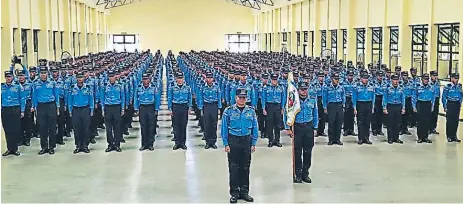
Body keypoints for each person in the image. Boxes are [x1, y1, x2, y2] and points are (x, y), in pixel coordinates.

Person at [221, 88, 258, 203]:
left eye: (244, 98)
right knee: (234, 167)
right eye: (240, 97)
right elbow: (224, 128)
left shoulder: (251, 111)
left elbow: (255, 128)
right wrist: (226, 143)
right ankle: (234, 193)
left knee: (245, 167)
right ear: (235, 98)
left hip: (246, 140)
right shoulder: (229, 111)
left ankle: (244, 192)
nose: (242, 100)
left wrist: (253, 143)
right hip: (234, 141)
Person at [285, 81, 318, 183]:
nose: (304, 92)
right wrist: (288, 128)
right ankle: (298, 174)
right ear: (298, 90)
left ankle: (305, 173)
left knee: (308, 152)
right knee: (297, 152)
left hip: (308, 127)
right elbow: (287, 113)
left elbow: (315, 114)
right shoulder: (293, 101)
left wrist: (315, 128)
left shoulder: (312, 100)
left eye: (305, 89)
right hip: (297, 127)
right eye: (302, 90)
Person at [32, 66, 60, 155]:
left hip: (51, 106)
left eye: (45, 73)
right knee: (42, 127)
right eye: (42, 73)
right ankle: (44, 147)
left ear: (47, 74)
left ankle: (51, 147)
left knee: (52, 127)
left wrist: (58, 108)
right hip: (41, 107)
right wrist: (35, 107)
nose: (43, 75)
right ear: (39, 74)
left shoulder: (52, 83)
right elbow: (34, 96)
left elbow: (56, 95)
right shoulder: (35, 83)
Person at [68, 71, 94, 154]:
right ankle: (78, 146)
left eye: (81, 77)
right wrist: (70, 110)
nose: (80, 79)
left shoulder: (88, 87)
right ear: (76, 79)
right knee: (77, 129)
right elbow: (70, 100)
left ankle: (85, 146)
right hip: (76, 110)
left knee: (86, 128)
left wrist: (92, 110)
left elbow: (91, 99)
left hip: (85, 109)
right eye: (78, 78)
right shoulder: (72, 88)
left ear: (84, 78)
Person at [134, 73, 160, 151]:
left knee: (151, 126)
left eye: (147, 79)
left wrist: (156, 109)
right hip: (142, 108)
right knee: (143, 126)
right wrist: (136, 109)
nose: (145, 81)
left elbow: (157, 99)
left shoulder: (154, 88)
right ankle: (144, 144)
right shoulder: (138, 88)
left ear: (149, 79)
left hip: (151, 107)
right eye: (144, 79)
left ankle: (150, 144)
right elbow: (136, 98)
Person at [1, 71, 25, 156]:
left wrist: (22, 111)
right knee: (7, 130)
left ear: (13, 77)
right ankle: (9, 148)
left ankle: (15, 149)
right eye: (7, 77)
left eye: (10, 76)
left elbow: (22, 99)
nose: (8, 78)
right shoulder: (2, 87)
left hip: (15, 109)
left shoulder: (18, 87)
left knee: (15, 129)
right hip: (5, 110)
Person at [101, 70, 125, 153]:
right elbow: (102, 98)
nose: (111, 78)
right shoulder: (104, 86)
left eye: (113, 76)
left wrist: (122, 109)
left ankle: (117, 145)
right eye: (110, 76)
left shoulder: (120, 85)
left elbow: (123, 97)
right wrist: (103, 109)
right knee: (108, 128)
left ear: (115, 76)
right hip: (108, 108)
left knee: (117, 127)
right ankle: (110, 145)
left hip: (117, 107)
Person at [168, 72, 192, 150]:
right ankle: (177, 143)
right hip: (175, 107)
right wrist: (170, 108)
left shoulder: (187, 88)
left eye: (181, 78)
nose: (180, 80)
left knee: (183, 125)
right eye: (178, 78)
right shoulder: (172, 88)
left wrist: (189, 108)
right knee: (176, 125)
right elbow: (170, 98)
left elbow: (189, 98)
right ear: (176, 79)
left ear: (183, 79)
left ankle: (183, 143)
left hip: (184, 107)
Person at [197, 72, 222, 149]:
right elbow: (200, 98)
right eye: (208, 78)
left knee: (214, 124)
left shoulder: (216, 87)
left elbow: (219, 98)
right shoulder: (203, 87)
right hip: (206, 106)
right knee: (207, 124)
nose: (209, 79)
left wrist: (219, 108)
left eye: (211, 78)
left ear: (213, 79)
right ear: (206, 78)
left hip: (214, 106)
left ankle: (213, 141)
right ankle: (208, 142)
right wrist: (201, 108)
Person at [262, 73, 286, 147]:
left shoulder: (281, 88)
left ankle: (277, 140)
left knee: (277, 125)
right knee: (269, 124)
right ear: (271, 80)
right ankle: (270, 140)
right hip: (269, 106)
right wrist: (263, 108)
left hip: (278, 107)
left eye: (276, 80)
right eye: (273, 80)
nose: (274, 81)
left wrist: (282, 108)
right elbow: (263, 98)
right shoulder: (266, 87)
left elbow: (283, 98)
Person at [323, 73, 345, 145]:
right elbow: (324, 98)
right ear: (332, 79)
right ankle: (331, 139)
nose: (337, 80)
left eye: (338, 79)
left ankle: (337, 139)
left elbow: (343, 96)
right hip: (331, 106)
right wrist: (325, 107)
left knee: (339, 123)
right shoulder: (327, 87)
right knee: (331, 123)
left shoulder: (341, 87)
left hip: (339, 105)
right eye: (335, 79)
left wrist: (343, 106)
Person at [353, 72, 375, 145]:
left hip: (368, 104)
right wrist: (354, 108)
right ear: (361, 78)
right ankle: (361, 138)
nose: (365, 80)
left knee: (367, 122)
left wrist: (372, 107)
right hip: (360, 104)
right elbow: (354, 98)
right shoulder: (357, 86)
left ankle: (367, 138)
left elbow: (373, 97)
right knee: (360, 122)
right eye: (364, 78)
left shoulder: (371, 86)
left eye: (366, 78)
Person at [383, 74, 405, 144]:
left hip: (398, 106)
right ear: (391, 80)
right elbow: (384, 98)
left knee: (398, 123)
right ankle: (390, 138)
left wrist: (403, 108)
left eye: (397, 80)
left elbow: (403, 98)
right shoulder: (388, 88)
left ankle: (396, 138)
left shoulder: (401, 88)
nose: (396, 81)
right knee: (390, 123)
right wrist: (384, 108)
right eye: (394, 80)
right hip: (390, 106)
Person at [412, 74, 434, 143]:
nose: (426, 80)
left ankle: (426, 137)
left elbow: (433, 98)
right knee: (420, 121)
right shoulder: (418, 87)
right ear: (422, 79)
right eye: (425, 79)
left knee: (427, 121)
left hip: (428, 104)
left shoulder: (431, 87)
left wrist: (432, 106)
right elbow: (414, 97)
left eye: (427, 79)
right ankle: (420, 137)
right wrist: (414, 106)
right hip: (420, 104)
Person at [442, 73, 462, 143]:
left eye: (457, 78)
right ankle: (449, 136)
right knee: (449, 121)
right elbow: (444, 97)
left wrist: (460, 103)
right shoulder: (447, 86)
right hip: (450, 104)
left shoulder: (459, 86)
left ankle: (454, 136)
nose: (457, 80)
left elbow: (460, 95)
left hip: (456, 104)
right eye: (455, 78)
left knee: (456, 121)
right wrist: (445, 106)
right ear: (452, 78)